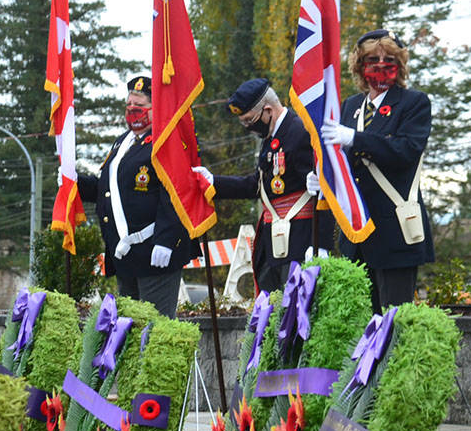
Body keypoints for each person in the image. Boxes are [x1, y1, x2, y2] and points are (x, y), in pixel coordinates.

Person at [318, 29, 435, 313]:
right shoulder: (351, 107)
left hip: (394, 232)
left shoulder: (413, 103)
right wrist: (323, 179)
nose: (381, 65)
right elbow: (343, 161)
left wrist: (355, 139)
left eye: (388, 59)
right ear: (360, 66)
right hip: (357, 235)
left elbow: (405, 151)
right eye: (372, 59)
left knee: (394, 322)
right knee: (361, 326)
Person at [78, 76, 200, 317]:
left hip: (155, 251)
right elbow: (108, 192)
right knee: (129, 331)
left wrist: (166, 240)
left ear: (157, 109)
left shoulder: (166, 141)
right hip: (125, 255)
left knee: (155, 328)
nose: (132, 112)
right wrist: (75, 182)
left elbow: (176, 192)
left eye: (140, 108)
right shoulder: (122, 143)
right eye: (129, 107)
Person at [199, 79, 335, 293]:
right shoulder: (271, 136)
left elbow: (323, 189)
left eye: (249, 120)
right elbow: (258, 184)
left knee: (295, 316)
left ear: (268, 110)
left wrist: (322, 244)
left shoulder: (299, 132)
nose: (248, 128)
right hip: (274, 242)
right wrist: (213, 182)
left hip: (300, 240)